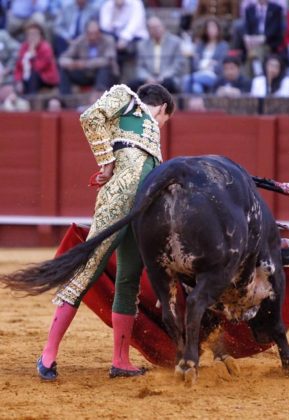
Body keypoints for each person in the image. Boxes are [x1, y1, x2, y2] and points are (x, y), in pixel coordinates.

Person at [36, 83, 175, 381]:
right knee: (87, 270)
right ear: (163, 107)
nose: (161, 125)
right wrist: (107, 163)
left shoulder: (153, 141)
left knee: (128, 282)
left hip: (143, 216)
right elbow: (90, 116)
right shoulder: (126, 98)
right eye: (165, 119)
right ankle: (47, 355)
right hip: (116, 204)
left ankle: (120, 361)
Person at [59, 20, 119, 94]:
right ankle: (65, 97)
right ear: (86, 33)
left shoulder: (108, 40)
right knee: (65, 69)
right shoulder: (80, 40)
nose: (93, 37)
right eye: (90, 34)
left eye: (96, 33)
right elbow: (63, 58)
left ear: (100, 32)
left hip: (105, 75)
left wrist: (86, 64)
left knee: (104, 68)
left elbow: (108, 60)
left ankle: (100, 95)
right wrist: (72, 63)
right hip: (85, 74)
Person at [130, 16, 184, 94]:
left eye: (157, 27)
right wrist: (147, 78)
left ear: (163, 27)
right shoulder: (142, 45)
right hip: (148, 78)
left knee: (169, 84)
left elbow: (177, 64)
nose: (156, 30)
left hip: (166, 77)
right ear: (148, 30)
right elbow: (140, 67)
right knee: (131, 85)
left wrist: (162, 77)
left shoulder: (175, 42)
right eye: (152, 28)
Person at [182, 17, 229, 94]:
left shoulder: (223, 45)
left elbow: (221, 64)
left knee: (187, 79)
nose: (210, 30)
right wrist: (207, 63)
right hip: (199, 72)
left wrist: (205, 64)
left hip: (214, 75)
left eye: (213, 27)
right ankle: (199, 105)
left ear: (218, 29)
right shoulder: (200, 44)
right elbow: (195, 63)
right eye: (208, 27)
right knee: (196, 88)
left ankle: (185, 103)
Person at [14, 21, 59, 94]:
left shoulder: (46, 47)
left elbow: (39, 67)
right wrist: (18, 81)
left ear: (40, 35)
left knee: (33, 75)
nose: (32, 37)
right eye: (30, 34)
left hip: (46, 78)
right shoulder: (24, 47)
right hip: (27, 78)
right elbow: (18, 67)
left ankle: (32, 99)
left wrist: (32, 56)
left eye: (35, 34)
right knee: (17, 82)